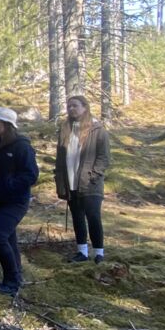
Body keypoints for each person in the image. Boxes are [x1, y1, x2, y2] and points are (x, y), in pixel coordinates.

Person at [0, 108, 39, 296]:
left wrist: (10, 184)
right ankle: (17, 274)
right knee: (9, 238)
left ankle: (12, 280)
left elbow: (31, 174)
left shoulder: (21, 146)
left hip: (15, 201)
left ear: (8, 125)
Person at [54, 96, 110, 263]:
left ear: (85, 107)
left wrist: (93, 175)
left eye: (75, 106)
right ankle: (82, 252)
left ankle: (98, 252)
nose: (71, 109)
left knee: (93, 216)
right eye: (69, 106)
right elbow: (60, 157)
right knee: (77, 216)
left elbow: (104, 156)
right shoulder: (65, 129)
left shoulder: (97, 129)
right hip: (70, 181)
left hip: (90, 182)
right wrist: (59, 178)